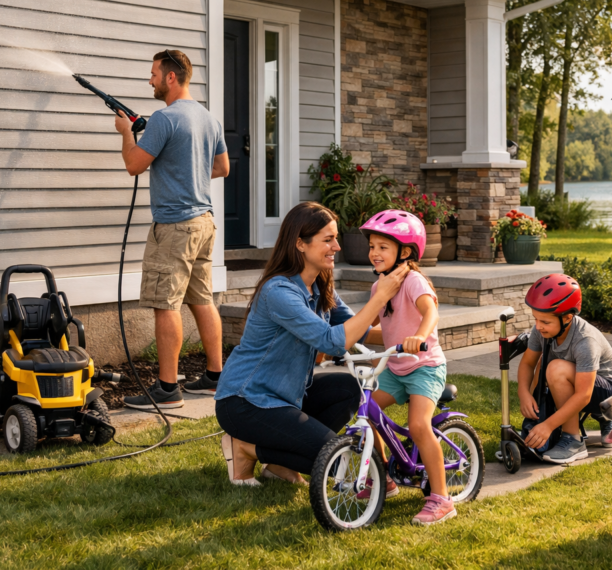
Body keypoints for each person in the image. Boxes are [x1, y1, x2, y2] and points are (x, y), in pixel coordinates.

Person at [214, 202, 408, 485]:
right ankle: (245, 448)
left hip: (288, 397)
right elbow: (333, 342)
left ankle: (278, 466)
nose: (337, 247)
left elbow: (359, 331)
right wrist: (379, 298)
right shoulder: (279, 291)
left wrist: (412, 337)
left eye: (336, 238)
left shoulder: (320, 284)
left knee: (347, 388)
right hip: (246, 402)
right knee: (336, 459)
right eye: (328, 240)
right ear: (300, 244)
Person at [115, 49, 229, 409]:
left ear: (170, 77)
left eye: (153, 74)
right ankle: (215, 377)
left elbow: (134, 164)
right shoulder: (208, 119)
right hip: (204, 224)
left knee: (166, 305)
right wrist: (187, 170)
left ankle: (167, 389)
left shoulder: (164, 119)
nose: (149, 80)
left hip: (176, 227)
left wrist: (125, 133)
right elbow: (222, 168)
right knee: (202, 300)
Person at [358, 209, 455, 525]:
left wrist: (419, 336)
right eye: (372, 246)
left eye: (382, 247)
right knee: (366, 412)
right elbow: (369, 326)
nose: (374, 253)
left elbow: (431, 313)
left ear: (406, 251)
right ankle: (383, 475)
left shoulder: (414, 281)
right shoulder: (379, 287)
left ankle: (442, 498)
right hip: (396, 367)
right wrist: (344, 340)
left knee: (417, 426)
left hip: (425, 366)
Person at [517, 274, 612, 464]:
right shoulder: (541, 330)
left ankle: (573, 440)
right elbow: (528, 363)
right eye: (536, 319)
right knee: (545, 362)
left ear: (567, 317)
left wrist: (548, 426)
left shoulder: (585, 340)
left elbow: (584, 395)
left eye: (545, 322)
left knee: (555, 368)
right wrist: (524, 393)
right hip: (583, 385)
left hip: (610, 396)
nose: (538, 326)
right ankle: (538, 425)